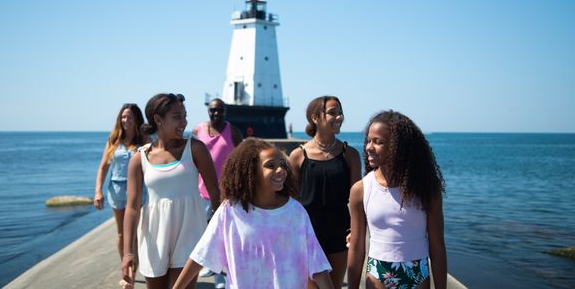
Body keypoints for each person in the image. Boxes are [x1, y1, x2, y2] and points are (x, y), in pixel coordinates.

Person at [173, 138, 334, 289]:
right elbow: (200, 256)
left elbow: (317, 265)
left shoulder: (295, 212)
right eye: (270, 165)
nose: (280, 170)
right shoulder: (230, 211)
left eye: (282, 165)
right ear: (251, 172)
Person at [121, 93, 220, 289]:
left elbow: (216, 196)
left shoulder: (196, 149)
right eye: (177, 117)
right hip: (154, 235)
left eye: (185, 116)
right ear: (158, 120)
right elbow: (132, 207)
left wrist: (217, 235)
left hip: (190, 231)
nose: (184, 122)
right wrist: (128, 253)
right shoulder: (139, 158)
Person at [347, 111, 447, 289]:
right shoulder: (361, 190)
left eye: (378, 142)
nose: (369, 146)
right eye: (369, 140)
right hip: (379, 271)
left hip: (417, 272)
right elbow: (356, 247)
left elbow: (437, 245)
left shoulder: (427, 189)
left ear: (398, 147)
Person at [289, 95, 361, 289]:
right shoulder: (298, 156)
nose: (338, 117)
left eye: (340, 113)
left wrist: (356, 230)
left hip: (339, 232)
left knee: (335, 286)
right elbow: (290, 202)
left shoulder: (350, 154)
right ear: (315, 118)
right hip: (307, 233)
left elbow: (358, 201)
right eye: (332, 113)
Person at [192, 98, 242, 288]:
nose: (216, 113)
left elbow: (243, 156)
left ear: (225, 111)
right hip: (201, 193)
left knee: (223, 235)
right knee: (204, 235)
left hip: (227, 194)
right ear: (208, 111)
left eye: (220, 110)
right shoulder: (199, 131)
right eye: (213, 110)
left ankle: (221, 277)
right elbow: (189, 157)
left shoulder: (233, 132)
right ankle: (211, 269)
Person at [94, 103, 149, 260]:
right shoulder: (113, 140)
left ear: (136, 119)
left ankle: (133, 270)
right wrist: (98, 191)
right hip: (116, 192)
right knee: (121, 235)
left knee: (134, 234)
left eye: (129, 117)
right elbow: (103, 167)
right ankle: (125, 268)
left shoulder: (143, 140)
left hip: (138, 192)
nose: (126, 120)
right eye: (123, 117)